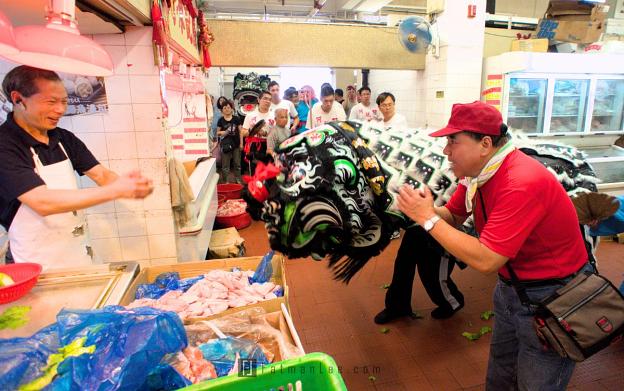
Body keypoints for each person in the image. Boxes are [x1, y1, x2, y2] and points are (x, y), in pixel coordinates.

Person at [396, 101, 592, 390]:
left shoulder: (520, 181)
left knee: (536, 383)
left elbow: (487, 259)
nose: (445, 150)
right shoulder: (478, 175)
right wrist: (423, 209)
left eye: (453, 141)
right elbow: (453, 215)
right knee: (500, 375)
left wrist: (427, 219)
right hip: (512, 290)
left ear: (485, 144)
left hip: (552, 297)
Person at [0, 66, 154, 270]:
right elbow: (41, 202)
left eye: (63, 101)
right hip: (33, 265)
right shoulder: (6, 145)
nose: (60, 109)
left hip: (77, 255)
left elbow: (101, 174)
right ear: (18, 99)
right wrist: (115, 191)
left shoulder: (63, 138)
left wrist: (131, 185)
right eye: (51, 102)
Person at [216, 100, 242, 184]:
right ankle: (225, 181)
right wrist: (225, 132)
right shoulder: (220, 120)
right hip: (226, 145)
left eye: (228, 107)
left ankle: (238, 179)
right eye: (224, 108)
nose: (227, 109)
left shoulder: (236, 119)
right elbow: (217, 133)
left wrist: (242, 143)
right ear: (222, 110)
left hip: (236, 144)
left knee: (237, 164)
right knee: (225, 165)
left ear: (231, 109)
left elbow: (241, 132)